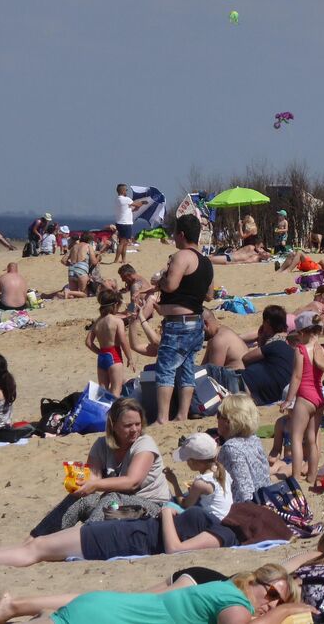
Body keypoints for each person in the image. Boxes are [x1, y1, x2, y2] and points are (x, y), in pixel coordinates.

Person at [0, 563, 307, 624]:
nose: (272, 603)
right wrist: (283, 613)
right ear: (253, 582)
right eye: (273, 594)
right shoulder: (233, 601)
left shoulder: (218, 590)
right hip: (104, 617)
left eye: (279, 601)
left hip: (104, 607)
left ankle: (0, 612)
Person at [0, 504, 239, 568]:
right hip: (119, 531)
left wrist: (169, 514)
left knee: (36, 551)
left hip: (120, 541)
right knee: (34, 546)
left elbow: (175, 551)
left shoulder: (224, 534)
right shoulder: (220, 520)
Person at [29, 398, 171, 537]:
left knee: (112, 498)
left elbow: (132, 482)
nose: (134, 429)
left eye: (138, 424)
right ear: (113, 425)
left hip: (151, 510)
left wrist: (95, 484)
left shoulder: (145, 444)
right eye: (128, 425)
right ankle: (36, 539)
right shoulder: (102, 445)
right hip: (117, 510)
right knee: (82, 499)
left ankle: (83, 541)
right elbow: (93, 479)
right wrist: (81, 485)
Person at [154, 215, 214, 423]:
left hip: (178, 324)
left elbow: (170, 285)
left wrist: (159, 280)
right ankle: (182, 414)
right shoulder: (206, 261)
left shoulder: (182, 256)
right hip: (195, 321)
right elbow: (209, 295)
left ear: (181, 234)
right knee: (187, 369)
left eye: (175, 234)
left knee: (166, 370)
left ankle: (162, 418)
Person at [282, 312, 324, 485]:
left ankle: (295, 476)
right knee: (313, 439)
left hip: (305, 396)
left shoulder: (301, 350)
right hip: (319, 395)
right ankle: (311, 476)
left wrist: (288, 400)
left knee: (296, 436)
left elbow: (296, 377)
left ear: (302, 333)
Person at [215, 393, 273, 503]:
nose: (217, 419)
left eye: (219, 415)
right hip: (266, 500)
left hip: (246, 510)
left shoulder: (231, 448)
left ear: (228, 421)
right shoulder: (254, 439)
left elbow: (245, 491)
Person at [164, 432, 234, 520]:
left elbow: (184, 505)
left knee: (168, 505)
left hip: (213, 523)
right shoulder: (221, 469)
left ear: (194, 462)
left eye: (187, 460)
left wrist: (174, 482)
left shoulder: (201, 483)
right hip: (226, 516)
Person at [240, 306, 296, 406]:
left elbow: (247, 359)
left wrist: (261, 340)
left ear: (267, 323)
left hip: (269, 386)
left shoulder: (273, 341)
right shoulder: (285, 336)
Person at [87, 290, 133, 396]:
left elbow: (88, 342)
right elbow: (123, 340)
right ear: (116, 305)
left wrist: (100, 352)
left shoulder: (97, 321)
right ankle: (112, 413)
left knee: (103, 391)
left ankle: (103, 412)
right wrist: (129, 358)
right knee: (116, 390)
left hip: (102, 357)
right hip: (114, 355)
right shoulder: (117, 321)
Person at [115, 184, 147, 263]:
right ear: (122, 191)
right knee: (122, 242)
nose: (126, 191)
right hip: (125, 223)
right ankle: (116, 260)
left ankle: (123, 260)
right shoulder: (126, 199)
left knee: (125, 242)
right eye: (126, 190)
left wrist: (137, 206)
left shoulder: (117, 200)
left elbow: (131, 209)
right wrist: (142, 202)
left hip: (120, 222)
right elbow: (137, 204)